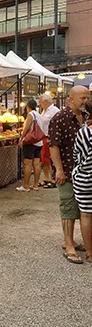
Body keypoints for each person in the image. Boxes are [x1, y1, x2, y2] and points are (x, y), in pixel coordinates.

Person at [49, 85, 90, 264]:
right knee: (68, 206)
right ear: (71, 99)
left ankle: (75, 240)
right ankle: (68, 244)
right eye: (82, 98)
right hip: (66, 169)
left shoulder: (86, 117)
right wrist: (58, 169)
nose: (85, 101)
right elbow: (53, 145)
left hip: (84, 172)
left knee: (83, 209)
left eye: (87, 98)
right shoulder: (60, 118)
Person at [72, 100, 92, 264]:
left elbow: (76, 156)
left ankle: (90, 253)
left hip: (83, 177)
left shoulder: (83, 132)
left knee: (85, 214)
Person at [16, 99, 43, 192]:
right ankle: (35, 185)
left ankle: (25, 186)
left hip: (30, 142)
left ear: (28, 106)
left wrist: (21, 138)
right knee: (36, 164)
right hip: (39, 142)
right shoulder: (39, 114)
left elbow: (27, 128)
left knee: (27, 164)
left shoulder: (30, 114)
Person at [38, 94, 60, 188]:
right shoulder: (44, 110)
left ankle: (53, 178)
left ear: (46, 102)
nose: (40, 104)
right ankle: (46, 177)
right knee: (44, 159)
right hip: (43, 137)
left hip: (50, 137)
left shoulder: (54, 111)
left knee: (49, 158)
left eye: (41, 102)